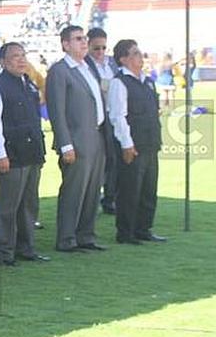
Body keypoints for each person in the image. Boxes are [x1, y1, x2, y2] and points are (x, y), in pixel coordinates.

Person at [0, 43, 51, 266]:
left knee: (29, 203)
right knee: (8, 205)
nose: (21, 60)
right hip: (11, 153)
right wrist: (0, 153)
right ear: (2, 61)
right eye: (14, 56)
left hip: (32, 152)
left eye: (23, 55)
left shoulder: (29, 83)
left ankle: (26, 247)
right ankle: (4, 251)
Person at [46, 25, 107, 252]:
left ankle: (86, 235)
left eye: (85, 38)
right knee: (74, 190)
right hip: (76, 139)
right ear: (65, 44)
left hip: (96, 136)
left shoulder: (87, 66)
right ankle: (67, 238)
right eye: (78, 39)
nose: (84, 42)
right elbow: (57, 111)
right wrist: (65, 144)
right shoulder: (60, 71)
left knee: (93, 189)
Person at [108, 40, 168, 244]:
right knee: (129, 190)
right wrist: (126, 143)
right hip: (133, 144)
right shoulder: (119, 82)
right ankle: (126, 232)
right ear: (123, 59)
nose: (140, 56)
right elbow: (118, 116)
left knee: (148, 189)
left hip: (150, 142)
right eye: (135, 53)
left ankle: (144, 228)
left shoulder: (147, 81)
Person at [84, 28, 120, 215]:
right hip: (95, 118)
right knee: (98, 159)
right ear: (88, 45)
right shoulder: (84, 65)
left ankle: (110, 197)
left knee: (114, 158)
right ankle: (93, 197)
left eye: (103, 48)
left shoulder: (112, 63)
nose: (100, 52)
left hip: (113, 115)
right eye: (96, 48)